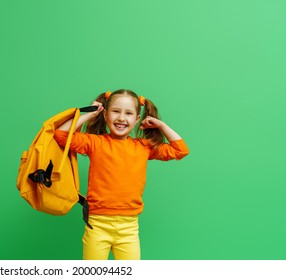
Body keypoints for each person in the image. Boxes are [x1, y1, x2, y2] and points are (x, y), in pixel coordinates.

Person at [54, 89, 190, 260]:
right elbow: (61, 135)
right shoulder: (95, 142)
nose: (121, 118)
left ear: (137, 118)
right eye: (115, 111)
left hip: (129, 228)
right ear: (105, 115)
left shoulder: (143, 147)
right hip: (97, 224)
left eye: (128, 113)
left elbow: (181, 150)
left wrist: (161, 125)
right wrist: (89, 114)